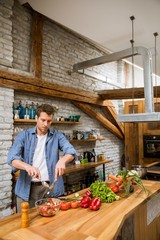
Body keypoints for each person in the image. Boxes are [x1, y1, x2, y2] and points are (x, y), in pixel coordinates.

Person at [8, 104, 77, 212]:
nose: (45, 124)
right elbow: (12, 158)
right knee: (25, 224)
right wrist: (27, 167)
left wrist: (62, 160)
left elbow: (71, 151)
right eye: (43, 120)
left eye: (49, 121)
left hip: (51, 189)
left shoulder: (57, 135)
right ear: (36, 118)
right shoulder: (23, 135)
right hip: (26, 190)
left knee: (51, 225)